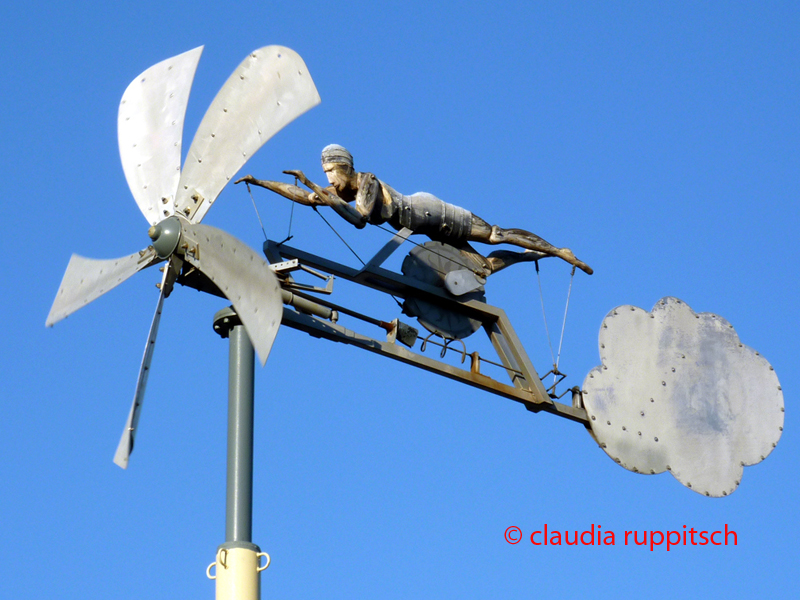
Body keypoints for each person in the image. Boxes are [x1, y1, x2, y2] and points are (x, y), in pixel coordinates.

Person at [236, 144, 592, 275]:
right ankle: (536, 256)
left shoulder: (368, 183)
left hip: (435, 214)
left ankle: (557, 251)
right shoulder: (341, 192)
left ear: (346, 168)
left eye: (330, 172)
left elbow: (359, 221)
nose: (327, 179)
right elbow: (308, 198)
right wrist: (261, 182)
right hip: (430, 231)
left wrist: (318, 190)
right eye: (323, 173)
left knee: (494, 234)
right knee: (485, 266)